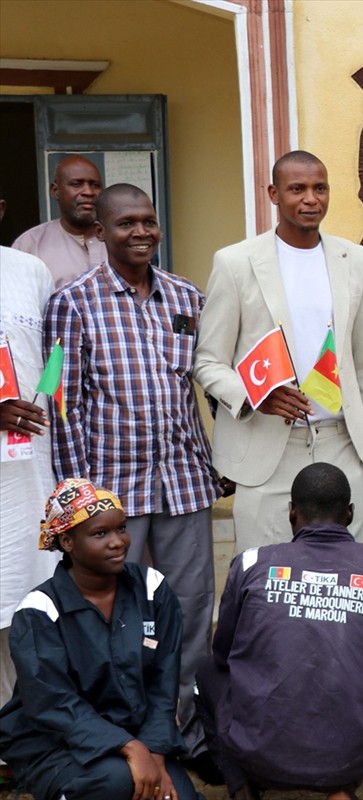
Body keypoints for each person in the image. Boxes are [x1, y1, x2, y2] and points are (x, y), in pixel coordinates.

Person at [44, 183, 221, 770]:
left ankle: (188, 736)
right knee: (117, 616)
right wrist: (80, 501)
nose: (140, 231)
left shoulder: (186, 296)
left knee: (191, 610)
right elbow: (62, 404)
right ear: (101, 232)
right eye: (126, 223)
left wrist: (223, 460)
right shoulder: (73, 303)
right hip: (112, 496)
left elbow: (205, 385)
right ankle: (125, 740)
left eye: (148, 220)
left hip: (184, 482)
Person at [194, 150, 363, 550]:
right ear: (274, 194)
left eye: (320, 188)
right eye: (297, 189)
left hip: (343, 444)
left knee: (343, 570)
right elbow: (208, 361)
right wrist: (256, 396)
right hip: (267, 449)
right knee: (268, 572)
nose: (311, 199)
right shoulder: (236, 262)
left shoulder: (354, 259)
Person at [196, 463, 363, 800]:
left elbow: (224, 653)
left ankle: (242, 787)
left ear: (292, 511)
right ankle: (341, 787)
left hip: (260, 753)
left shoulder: (252, 563)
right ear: (350, 514)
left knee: (206, 671)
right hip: (353, 754)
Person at [0, 479, 197, 800]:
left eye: (121, 528)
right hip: (58, 744)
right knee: (117, 781)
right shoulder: (40, 611)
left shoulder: (153, 590)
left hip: (139, 736)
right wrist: (129, 748)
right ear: (67, 541)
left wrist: (154, 752)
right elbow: (53, 704)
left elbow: (164, 685)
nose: (118, 542)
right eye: (100, 533)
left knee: (174, 796)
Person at [0, 196, 60, 787]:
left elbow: (53, 356)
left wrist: (48, 400)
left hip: (30, 468)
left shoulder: (29, 270)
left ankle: (24, 740)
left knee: (27, 600)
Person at [13, 155, 106, 288]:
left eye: (95, 185)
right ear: (55, 191)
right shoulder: (30, 244)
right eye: (77, 184)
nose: (89, 192)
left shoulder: (120, 239)